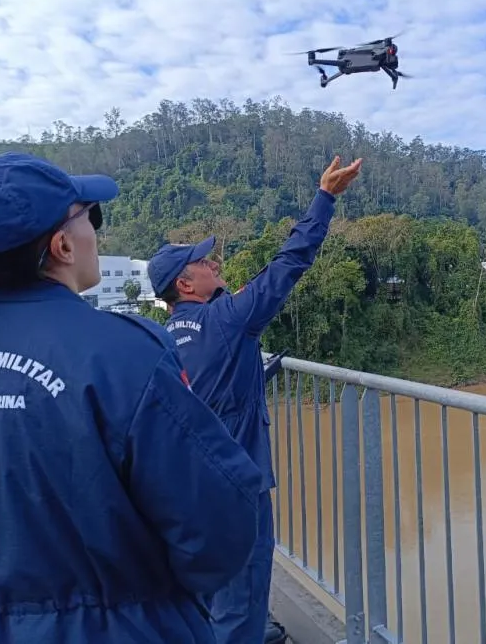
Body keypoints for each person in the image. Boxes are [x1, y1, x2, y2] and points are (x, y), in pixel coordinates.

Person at [0, 152, 265, 643]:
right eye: (89, 216)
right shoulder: (125, 355)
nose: (95, 231)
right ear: (62, 245)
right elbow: (218, 524)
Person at [147, 154, 363, 644]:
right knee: (242, 602)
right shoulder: (226, 320)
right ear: (185, 284)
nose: (214, 263)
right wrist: (324, 199)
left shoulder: (164, 337)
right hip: (236, 485)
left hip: (187, 489)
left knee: (211, 595)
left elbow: (201, 394)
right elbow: (288, 265)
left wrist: (254, 375)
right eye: (204, 262)